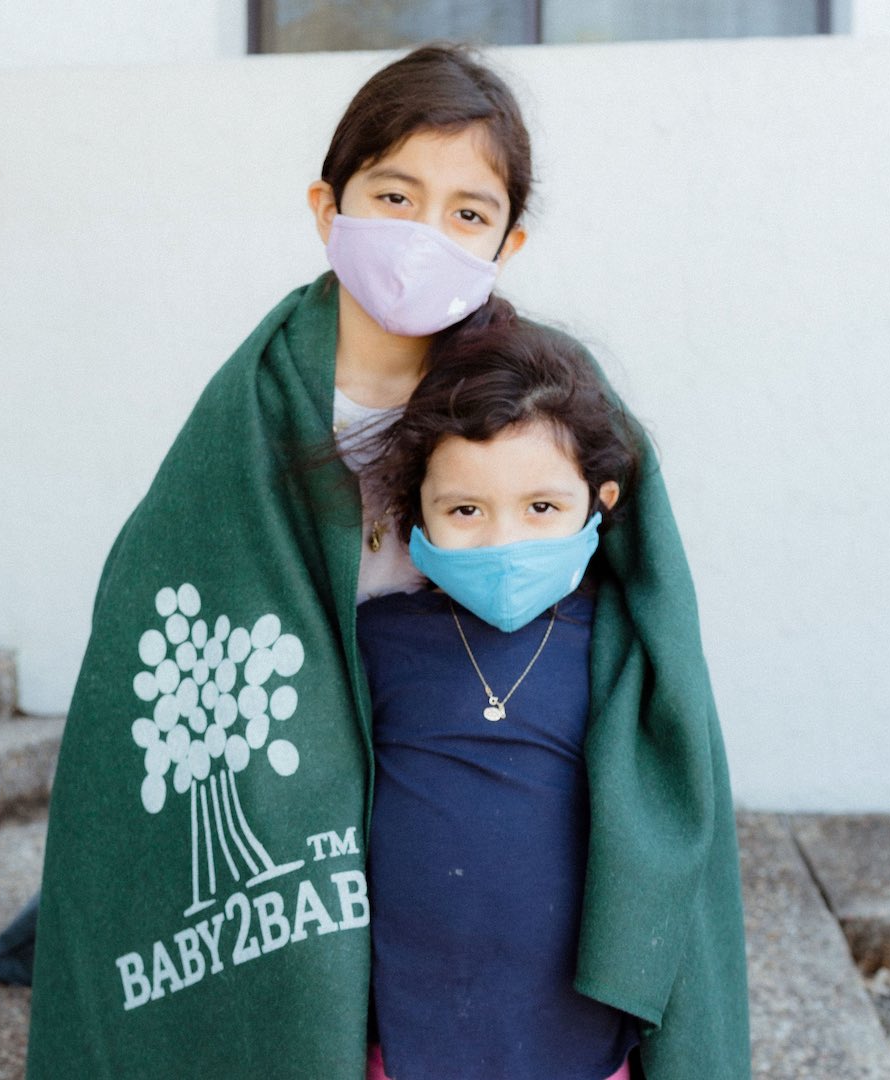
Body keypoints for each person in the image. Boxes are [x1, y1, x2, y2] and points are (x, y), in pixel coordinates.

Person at [25, 43, 750, 1080]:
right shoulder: (261, 401)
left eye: (467, 212)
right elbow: (177, 596)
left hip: (484, 777)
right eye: (394, 195)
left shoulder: (532, 384)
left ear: (509, 238)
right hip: (298, 751)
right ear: (328, 206)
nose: (425, 235)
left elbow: (645, 622)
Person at [354, 313, 642, 1080]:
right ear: (417, 511)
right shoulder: (377, 644)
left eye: (542, 508)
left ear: (599, 500)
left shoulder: (621, 650)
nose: (504, 543)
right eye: (465, 511)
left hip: (575, 1032)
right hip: (411, 1024)